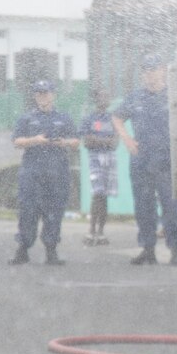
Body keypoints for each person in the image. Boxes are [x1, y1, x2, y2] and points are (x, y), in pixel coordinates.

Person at [112, 53, 177, 267]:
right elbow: (117, 117)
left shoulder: (174, 96)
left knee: (172, 207)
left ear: (162, 70)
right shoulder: (135, 97)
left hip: (167, 161)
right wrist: (126, 139)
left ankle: (176, 252)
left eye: (154, 70)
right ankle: (148, 250)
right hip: (142, 161)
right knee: (143, 208)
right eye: (146, 71)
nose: (150, 75)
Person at [8, 79, 79, 266]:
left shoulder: (64, 118)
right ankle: (22, 249)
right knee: (28, 210)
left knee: (54, 211)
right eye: (39, 94)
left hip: (57, 172)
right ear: (35, 96)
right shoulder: (27, 118)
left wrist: (63, 142)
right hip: (32, 171)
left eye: (46, 93)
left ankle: (51, 250)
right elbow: (16, 141)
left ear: (53, 95)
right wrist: (35, 140)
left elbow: (76, 141)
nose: (43, 97)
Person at [79, 88, 118, 246]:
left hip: (110, 158)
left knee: (105, 195)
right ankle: (91, 230)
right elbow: (86, 142)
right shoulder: (89, 118)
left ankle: (101, 232)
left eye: (108, 96)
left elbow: (115, 143)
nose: (105, 99)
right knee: (98, 193)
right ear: (96, 99)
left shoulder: (113, 118)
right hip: (95, 158)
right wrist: (105, 141)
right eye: (102, 96)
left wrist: (97, 139)